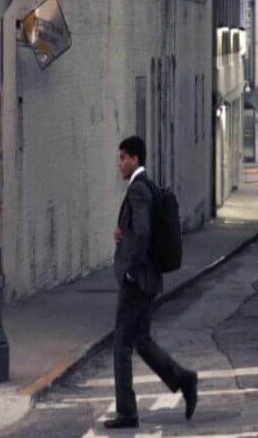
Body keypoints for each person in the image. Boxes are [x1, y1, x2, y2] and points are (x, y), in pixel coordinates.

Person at [104, 136, 198, 430]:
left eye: (122, 158)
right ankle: (183, 379)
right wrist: (124, 234)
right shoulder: (148, 187)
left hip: (138, 280)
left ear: (134, 159)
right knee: (141, 340)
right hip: (149, 278)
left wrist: (131, 268)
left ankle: (127, 412)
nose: (119, 163)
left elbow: (143, 231)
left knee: (121, 343)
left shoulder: (138, 190)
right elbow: (140, 229)